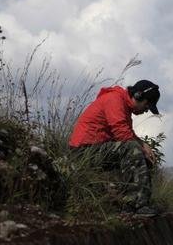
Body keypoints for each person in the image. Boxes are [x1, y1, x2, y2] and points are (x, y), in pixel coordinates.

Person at [69, 80, 161, 216]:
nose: (146, 110)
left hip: (96, 150)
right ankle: (136, 204)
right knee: (132, 149)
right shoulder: (114, 100)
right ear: (138, 96)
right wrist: (141, 147)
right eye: (147, 105)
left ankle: (132, 203)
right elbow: (122, 134)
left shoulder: (124, 106)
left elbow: (126, 131)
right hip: (83, 152)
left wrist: (144, 146)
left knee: (142, 154)